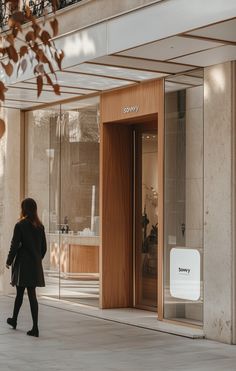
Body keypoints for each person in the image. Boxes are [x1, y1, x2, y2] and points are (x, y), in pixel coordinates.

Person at [6, 198, 47, 337]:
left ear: (24, 209)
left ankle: (14, 320)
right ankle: (34, 327)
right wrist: (36, 259)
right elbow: (44, 249)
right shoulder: (40, 227)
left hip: (23, 265)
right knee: (32, 296)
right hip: (34, 265)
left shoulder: (20, 225)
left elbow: (14, 245)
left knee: (19, 294)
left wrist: (9, 260)